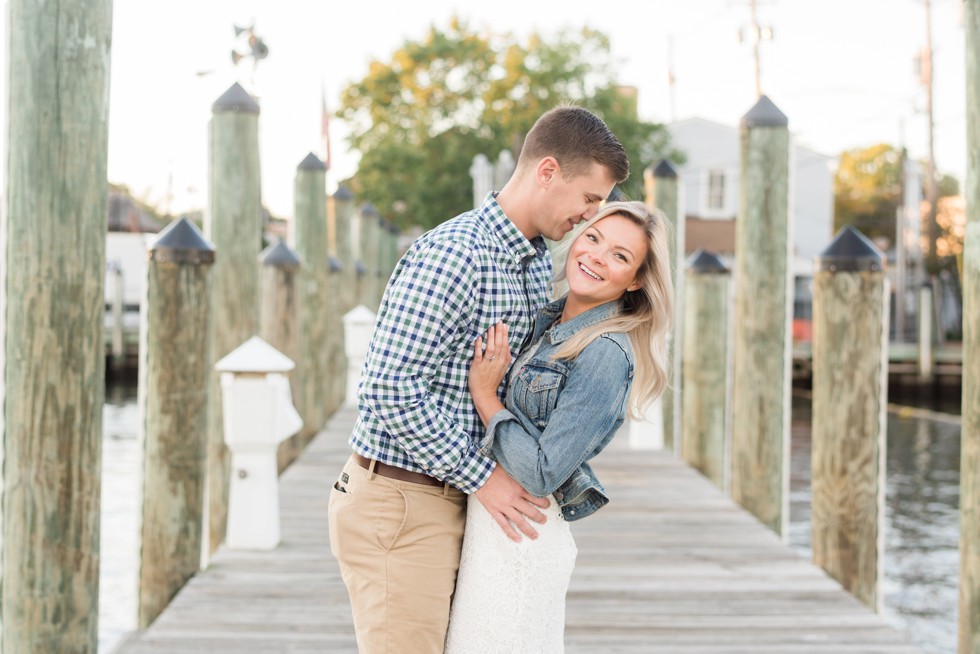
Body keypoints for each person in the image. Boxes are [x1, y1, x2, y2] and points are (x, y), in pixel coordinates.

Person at [327, 105, 630, 654]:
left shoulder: (537, 262)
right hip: (402, 501)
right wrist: (484, 477)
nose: (589, 217)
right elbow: (387, 388)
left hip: (453, 500)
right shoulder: (455, 254)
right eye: (589, 199)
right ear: (547, 172)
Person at [443, 200, 673, 653]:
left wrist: (486, 397)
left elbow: (544, 472)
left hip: (523, 535)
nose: (596, 256)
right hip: (491, 524)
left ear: (637, 280)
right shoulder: (546, 320)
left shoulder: (606, 352)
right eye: (593, 238)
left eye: (620, 256)